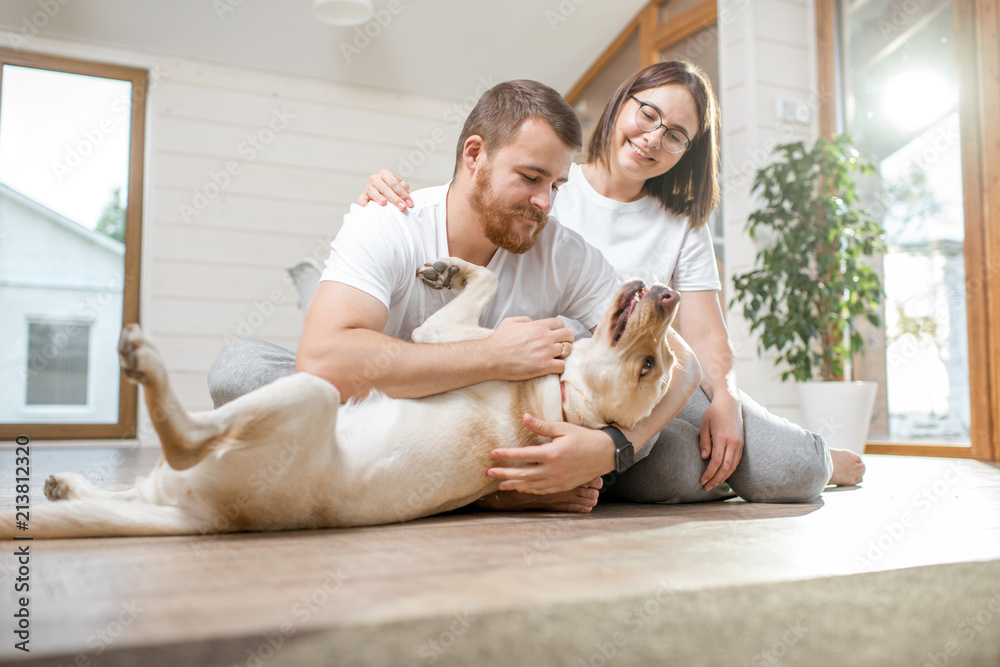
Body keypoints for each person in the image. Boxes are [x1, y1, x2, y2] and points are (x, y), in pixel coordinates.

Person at [358, 61, 864, 509]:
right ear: (622, 103)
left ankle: (817, 458)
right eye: (649, 114)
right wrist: (386, 190)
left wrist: (725, 400)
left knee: (785, 466)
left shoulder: (680, 221)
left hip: (662, 369)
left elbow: (701, 342)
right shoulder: (549, 185)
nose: (653, 138)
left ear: (688, 151)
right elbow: (471, 200)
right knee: (676, 471)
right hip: (578, 393)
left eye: (676, 135)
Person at [208, 79, 704, 514]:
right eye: (531, 178)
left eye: (556, 185)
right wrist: (493, 356)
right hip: (389, 419)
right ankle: (500, 492)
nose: (544, 204)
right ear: (474, 155)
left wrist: (610, 449)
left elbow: (684, 365)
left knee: (678, 462)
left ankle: (535, 478)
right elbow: (323, 366)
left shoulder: (566, 253)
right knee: (242, 369)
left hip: (498, 433)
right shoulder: (391, 220)